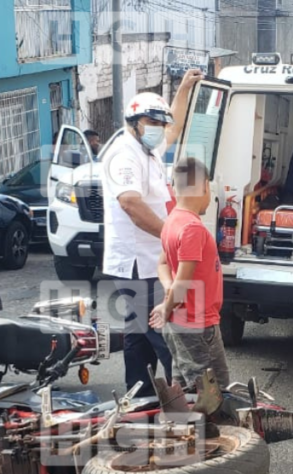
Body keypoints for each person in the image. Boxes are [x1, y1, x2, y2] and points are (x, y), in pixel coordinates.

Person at [100, 70, 204, 396]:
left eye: (160, 124)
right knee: (167, 335)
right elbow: (130, 203)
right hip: (138, 263)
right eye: (152, 123)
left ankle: (139, 401)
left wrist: (185, 88)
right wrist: (171, 236)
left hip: (149, 260)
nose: (159, 130)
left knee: (138, 334)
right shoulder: (124, 154)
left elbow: (175, 128)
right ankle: (188, 402)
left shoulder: (148, 150)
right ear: (134, 122)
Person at [149, 157, 230, 389]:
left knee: (182, 388)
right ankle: (205, 426)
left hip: (180, 321)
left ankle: (179, 424)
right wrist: (167, 305)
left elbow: (163, 265)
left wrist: (169, 295)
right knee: (214, 392)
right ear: (204, 186)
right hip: (197, 323)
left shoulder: (171, 221)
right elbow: (183, 284)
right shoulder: (193, 229)